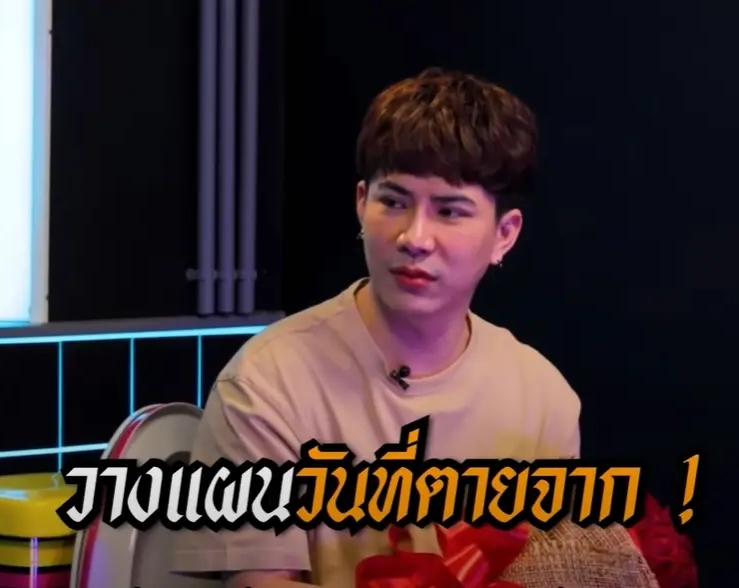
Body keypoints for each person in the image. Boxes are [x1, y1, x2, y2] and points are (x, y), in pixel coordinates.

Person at [173, 67, 582, 587]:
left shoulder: (542, 397)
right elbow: (259, 582)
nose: (415, 237)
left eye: (450, 211)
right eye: (393, 202)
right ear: (361, 203)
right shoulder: (265, 382)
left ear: (504, 234)